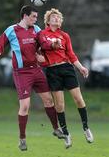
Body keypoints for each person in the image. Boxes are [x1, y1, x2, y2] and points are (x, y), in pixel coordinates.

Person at [0, 5, 64, 151]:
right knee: (25, 106)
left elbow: (44, 42)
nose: (36, 19)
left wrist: (52, 45)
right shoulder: (11, 30)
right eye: (34, 17)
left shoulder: (37, 30)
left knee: (49, 100)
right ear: (25, 16)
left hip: (36, 70)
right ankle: (22, 139)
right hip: (21, 72)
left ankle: (56, 129)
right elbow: (0, 44)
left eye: (36, 17)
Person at [38, 8, 94, 149]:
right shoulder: (42, 34)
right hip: (52, 71)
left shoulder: (65, 36)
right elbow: (42, 48)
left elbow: (71, 54)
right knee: (60, 105)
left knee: (78, 99)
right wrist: (43, 56)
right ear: (48, 21)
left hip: (67, 68)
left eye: (58, 17)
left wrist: (80, 67)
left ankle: (86, 128)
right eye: (53, 17)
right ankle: (67, 134)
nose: (56, 18)